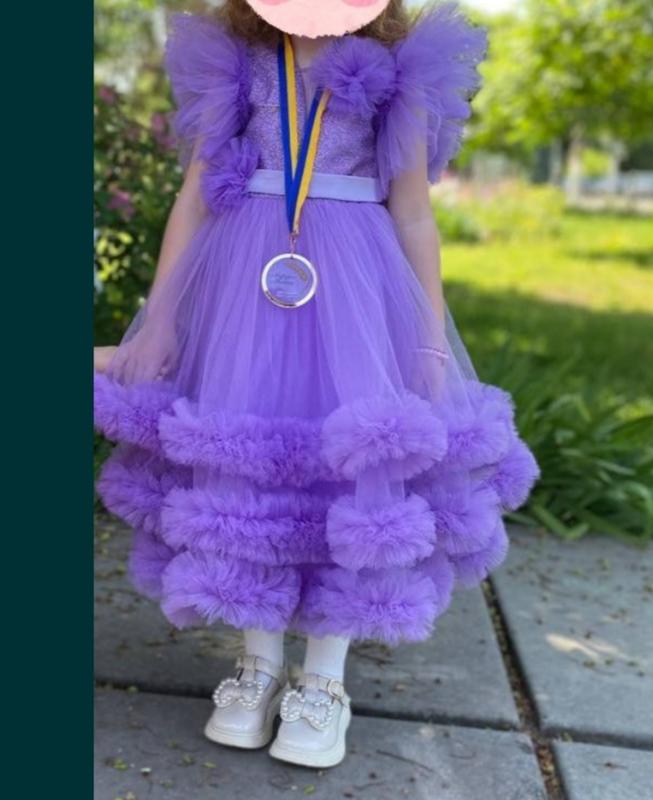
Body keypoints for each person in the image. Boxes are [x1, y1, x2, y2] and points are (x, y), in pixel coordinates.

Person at [94, 0, 538, 768]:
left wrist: (428, 335)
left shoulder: (400, 69)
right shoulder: (239, 59)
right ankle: (258, 661)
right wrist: (161, 316)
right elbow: (196, 192)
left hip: (355, 288)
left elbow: (413, 212)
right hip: (242, 283)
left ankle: (324, 680)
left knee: (352, 465)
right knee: (247, 459)